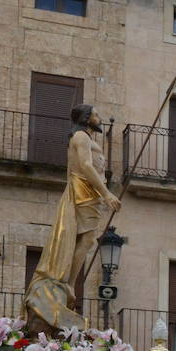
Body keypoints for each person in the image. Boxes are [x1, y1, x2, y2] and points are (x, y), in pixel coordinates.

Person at [23, 104, 120, 333]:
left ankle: (68, 283)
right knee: (86, 240)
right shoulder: (80, 136)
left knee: (85, 240)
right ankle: (67, 283)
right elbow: (85, 165)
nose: (99, 117)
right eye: (95, 114)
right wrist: (106, 194)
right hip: (85, 191)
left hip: (88, 193)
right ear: (87, 119)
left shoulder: (84, 137)